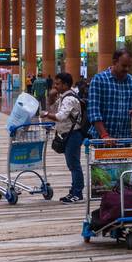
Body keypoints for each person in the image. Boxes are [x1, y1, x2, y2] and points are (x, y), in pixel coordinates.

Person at [87, 49, 132, 140]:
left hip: (124, 139)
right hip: (100, 140)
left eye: (129, 66)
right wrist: (104, 135)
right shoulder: (99, 80)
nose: (127, 69)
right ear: (114, 62)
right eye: (124, 66)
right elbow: (94, 112)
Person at [51, 72, 85, 204]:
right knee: (72, 164)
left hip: (73, 135)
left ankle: (77, 193)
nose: (55, 86)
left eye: (58, 83)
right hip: (70, 135)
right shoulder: (64, 97)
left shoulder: (69, 98)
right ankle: (74, 190)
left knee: (74, 165)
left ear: (65, 85)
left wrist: (46, 114)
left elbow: (60, 116)